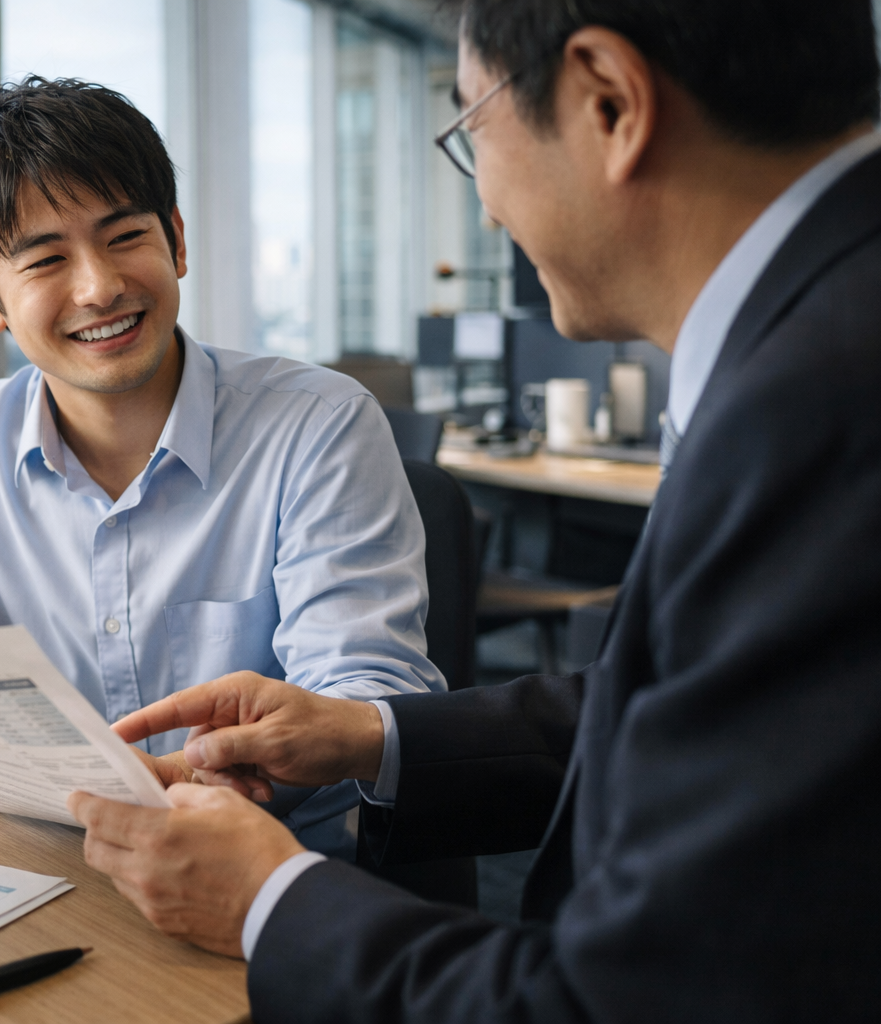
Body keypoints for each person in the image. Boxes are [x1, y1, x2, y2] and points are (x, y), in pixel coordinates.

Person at [69, 1, 881, 1019]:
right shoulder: (817, 339)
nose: (487, 210)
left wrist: (266, 899)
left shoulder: (819, 411)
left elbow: (643, 998)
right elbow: (692, 713)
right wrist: (369, 734)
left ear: (607, 101)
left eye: (471, 132)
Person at [0, 77, 444, 852]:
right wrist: (84, 781)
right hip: (47, 869)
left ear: (176, 240)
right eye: (46, 260)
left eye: (124, 238)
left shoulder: (318, 423)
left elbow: (367, 701)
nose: (100, 286)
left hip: (272, 882)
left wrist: (239, 768)